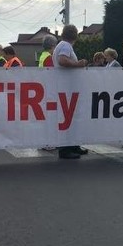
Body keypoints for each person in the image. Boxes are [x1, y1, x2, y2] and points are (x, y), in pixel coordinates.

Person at [52, 24, 88, 159]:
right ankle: (65, 149)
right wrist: (78, 64)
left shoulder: (61, 45)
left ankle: (73, 145)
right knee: (68, 117)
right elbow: (62, 60)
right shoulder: (66, 46)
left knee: (71, 118)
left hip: (66, 85)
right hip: (66, 86)